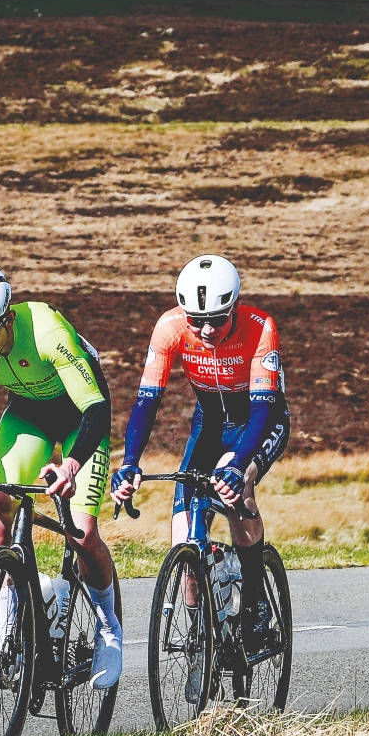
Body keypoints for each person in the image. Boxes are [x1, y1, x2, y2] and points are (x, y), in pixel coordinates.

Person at [0, 264, 127, 686]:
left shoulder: (46, 331)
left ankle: (108, 627)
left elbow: (95, 409)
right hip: (28, 415)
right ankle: (5, 629)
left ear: (7, 319)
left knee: (81, 532)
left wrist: (71, 465)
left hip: (82, 415)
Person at [108, 255, 289, 651]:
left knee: (236, 486)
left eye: (218, 320)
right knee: (182, 546)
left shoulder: (260, 327)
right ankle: (201, 641)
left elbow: (262, 410)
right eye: (196, 320)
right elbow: (147, 402)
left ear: (234, 307)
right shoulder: (170, 327)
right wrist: (130, 463)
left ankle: (255, 597)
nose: (206, 330)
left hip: (258, 421)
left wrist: (238, 465)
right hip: (208, 424)